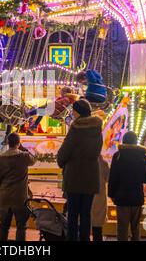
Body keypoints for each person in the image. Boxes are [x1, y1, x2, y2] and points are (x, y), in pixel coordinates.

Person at [57, 99, 103, 241]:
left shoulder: (76, 129)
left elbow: (64, 152)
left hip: (74, 178)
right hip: (91, 177)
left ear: (77, 112)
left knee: (72, 214)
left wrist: (61, 161)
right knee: (85, 214)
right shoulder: (97, 129)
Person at [0, 133, 36, 241]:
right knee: (21, 227)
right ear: (18, 143)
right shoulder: (24, 156)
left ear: (8, 143)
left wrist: (2, 184)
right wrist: (23, 148)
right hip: (20, 198)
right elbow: (34, 159)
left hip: (5, 197)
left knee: (3, 226)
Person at [108, 131, 146, 241]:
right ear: (136, 142)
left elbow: (113, 178)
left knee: (122, 229)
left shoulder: (118, 156)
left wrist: (111, 195)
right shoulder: (143, 157)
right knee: (136, 228)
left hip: (121, 198)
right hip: (137, 198)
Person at [91, 155, 110, 241]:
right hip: (99, 198)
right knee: (97, 229)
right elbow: (108, 178)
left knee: (83, 228)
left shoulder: (83, 161)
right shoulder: (103, 163)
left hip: (85, 197)